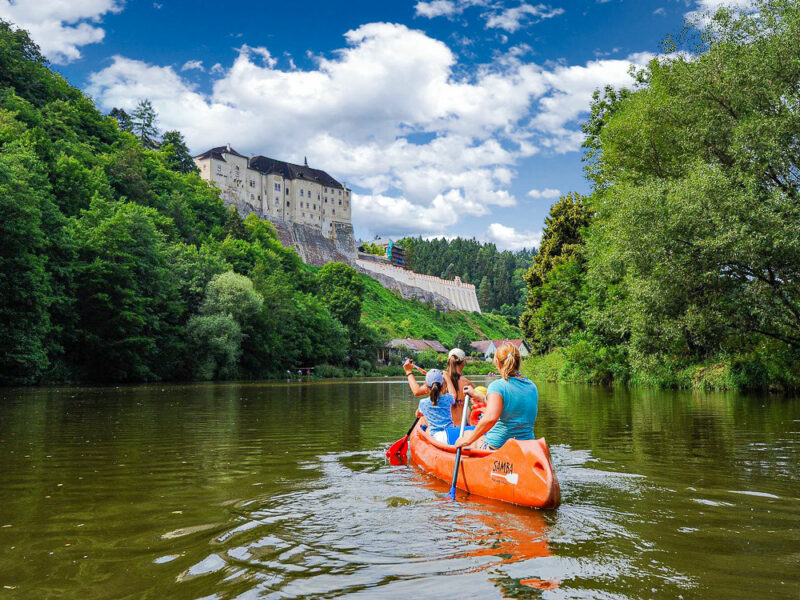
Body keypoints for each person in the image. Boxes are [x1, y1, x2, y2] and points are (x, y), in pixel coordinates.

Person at [455, 342, 537, 451]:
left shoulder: (497, 386)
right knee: (470, 434)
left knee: (466, 434)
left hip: (498, 447)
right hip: (526, 447)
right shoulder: (531, 386)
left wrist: (467, 440)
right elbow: (503, 404)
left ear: (497, 363)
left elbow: (491, 418)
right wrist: (476, 395)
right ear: (518, 361)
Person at [404, 367, 456, 443]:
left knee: (426, 428)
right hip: (451, 434)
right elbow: (453, 394)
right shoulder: (448, 398)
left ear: (426, 386)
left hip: (436, 438)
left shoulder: (423, 403)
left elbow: (417, 414)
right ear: (442, 385)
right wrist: (448, 379)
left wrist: (420, 411)